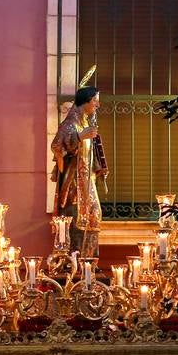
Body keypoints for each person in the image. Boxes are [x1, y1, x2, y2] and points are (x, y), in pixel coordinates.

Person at [50, 85, 106, 257]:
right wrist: (80, 137)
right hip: (73, 184)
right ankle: (72, 263)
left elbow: (88, 154)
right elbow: (56, 146)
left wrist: (99, 168)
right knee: (75, 220)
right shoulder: (70, 124)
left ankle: (89, 262)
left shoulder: (85, 123)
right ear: (86, 101)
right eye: (95, 101)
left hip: (87, 182)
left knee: (94, 214)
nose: (97, 105)